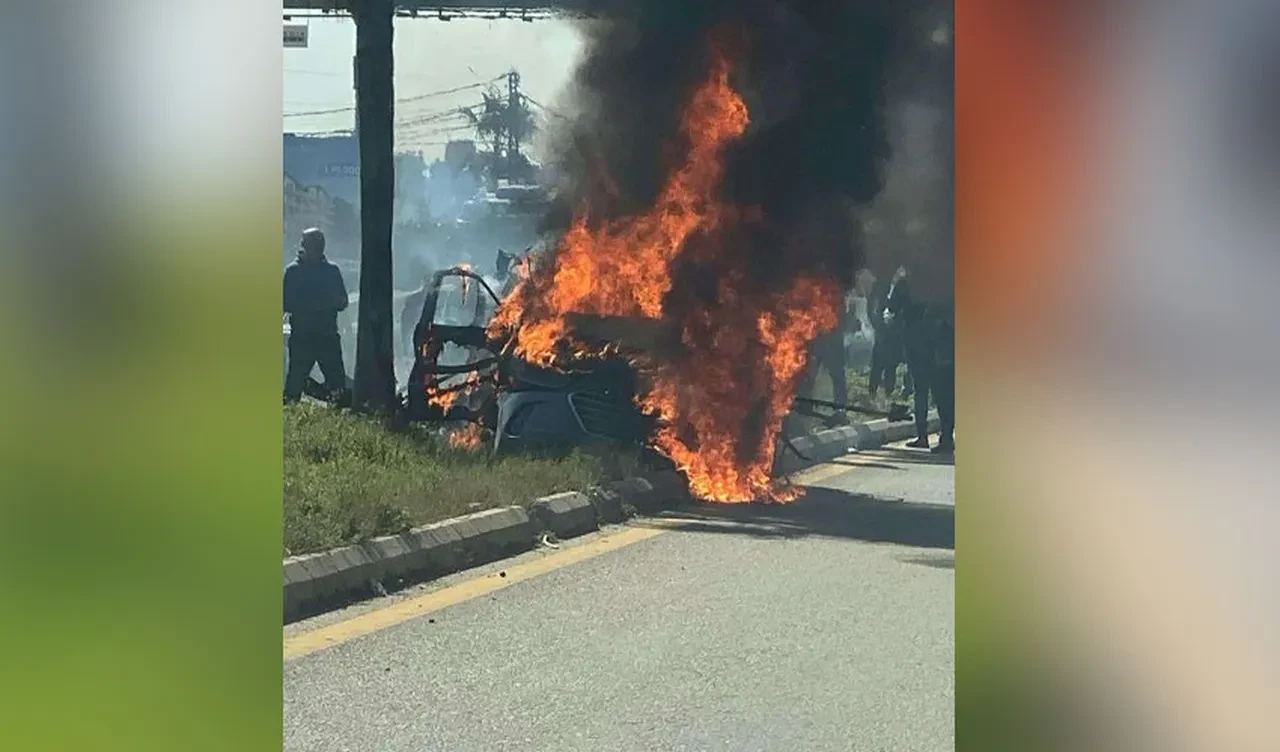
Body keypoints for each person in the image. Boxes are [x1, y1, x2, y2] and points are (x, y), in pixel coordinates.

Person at [283, 228, 349, 402]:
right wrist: (313, 304)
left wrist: (329, 302)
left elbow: (343, 301)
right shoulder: (293, 272)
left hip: (327, 336)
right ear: (304, 246)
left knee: (337, 384)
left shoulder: (331, 271)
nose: (316, 249)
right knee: (294, 384)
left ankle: (340, 411)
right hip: (302, 337)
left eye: (318, 245)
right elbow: (285, 303)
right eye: (312, 245)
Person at [928, 302, 955, 454]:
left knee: (946, 401)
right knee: (944, 401)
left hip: (946, 360)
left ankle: (947, 437)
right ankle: (946, 436)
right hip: (942, 359)